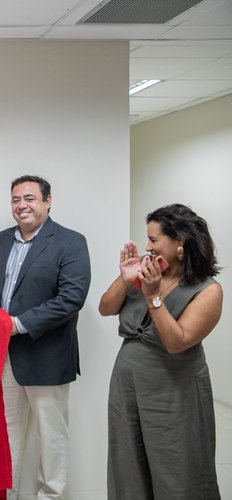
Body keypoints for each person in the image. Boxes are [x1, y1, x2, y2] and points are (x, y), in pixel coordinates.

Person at [0, 174, 91, 499]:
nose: (21, 205)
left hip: (48, 358)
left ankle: (50, 496)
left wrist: (18, 324)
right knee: (5, 437)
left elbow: (71, 298)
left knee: (51, 439)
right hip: (4, 358)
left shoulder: (70, 242)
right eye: (15, 200)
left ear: (47, 201)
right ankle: (5, 495)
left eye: (29, 198)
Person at [98, 204, 222, 500]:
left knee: (176, 460)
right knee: (128, 457)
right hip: (128, 383)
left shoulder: (208, 291)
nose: (147, 246)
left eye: (154, 240)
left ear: (180, 242)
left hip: (173, 386)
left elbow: (176, 342)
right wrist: (126, 278)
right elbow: (105, 308)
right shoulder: (146, 269)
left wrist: (152, 295)